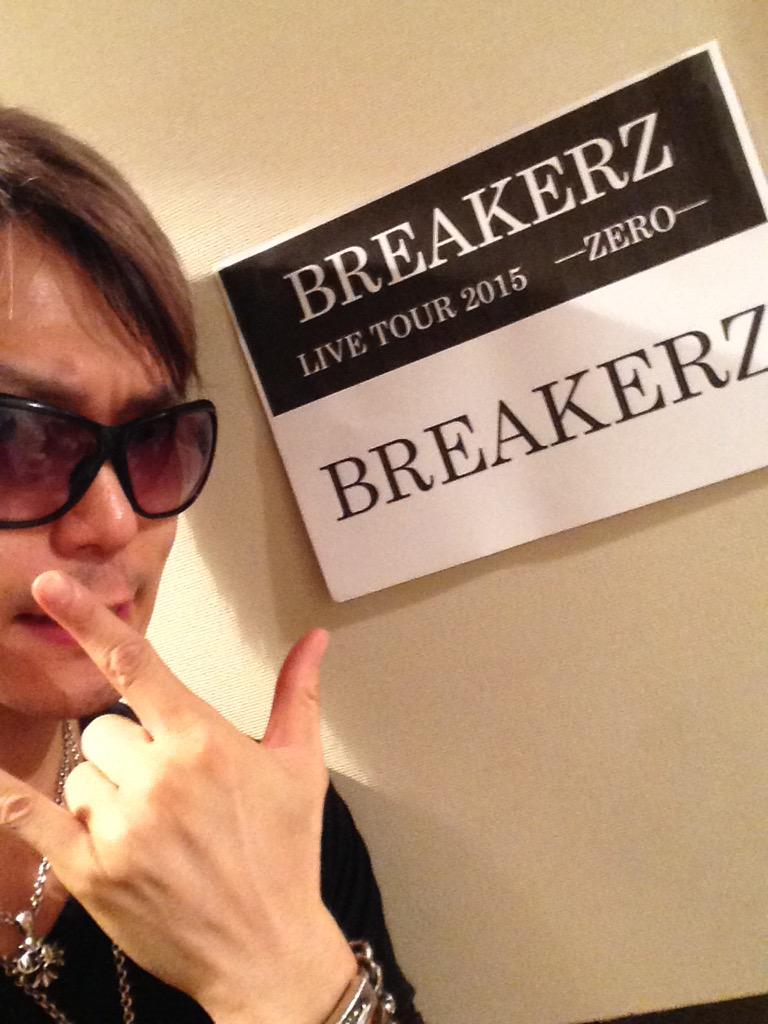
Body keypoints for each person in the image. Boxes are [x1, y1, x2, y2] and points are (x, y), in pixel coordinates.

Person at [0, 107, 421, 1024]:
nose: (116, 522)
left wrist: (282, 974)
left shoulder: (262, 824)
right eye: (15, 440)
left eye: (153, 440)